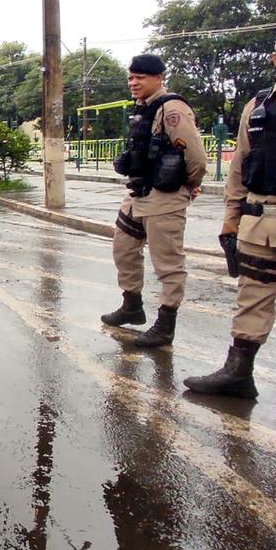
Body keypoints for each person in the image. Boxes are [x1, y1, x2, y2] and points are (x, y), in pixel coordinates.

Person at [184, 24, 276, 407]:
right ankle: (238, 371)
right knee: (250, 298)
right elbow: (240, 167)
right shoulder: (258, 107)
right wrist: (231, 217)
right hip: (258, 220)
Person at [100, 54, 207, 347]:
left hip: (164, 197)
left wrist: (190, 185)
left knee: (168, 263)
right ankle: (132, 305)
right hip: (138, 193)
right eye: (130, 78)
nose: (133, 83)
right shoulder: (142, 108)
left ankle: (166, 324)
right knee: (123, 248)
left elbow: (196, 157)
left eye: (140, 78)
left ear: (159, 78)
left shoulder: (172, 109)